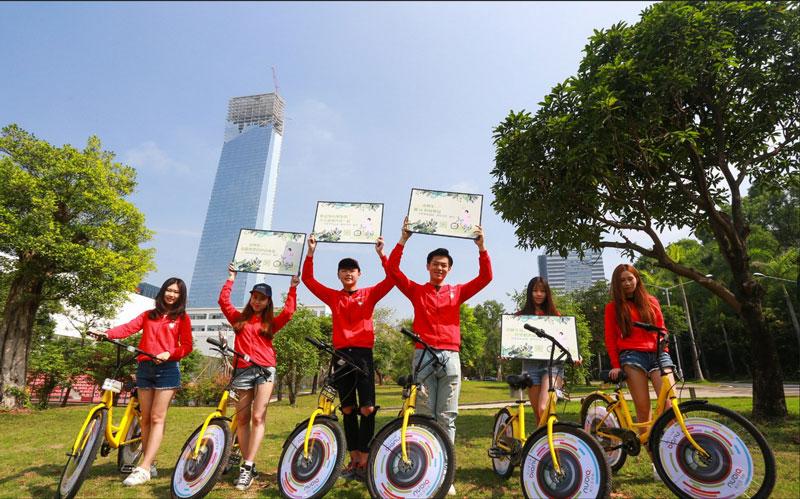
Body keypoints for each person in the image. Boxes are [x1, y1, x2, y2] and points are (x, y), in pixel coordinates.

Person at [387, 217, 492, 495]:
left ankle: (445, 473)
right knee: (424, 415)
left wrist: (481, 247)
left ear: (449, 269)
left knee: (447, 417)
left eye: (444, 265)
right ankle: (425, 471)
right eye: (435, 264)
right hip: (422, 356)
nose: (439, 268)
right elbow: (392, 271)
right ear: (428, 267)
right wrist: (403, 240)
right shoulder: (416, 290)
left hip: (450, 357)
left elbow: (486, 278)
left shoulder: (457, 291)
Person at [301, 234, 394, 481]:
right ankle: (353, 460)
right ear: (339, 275)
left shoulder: (370, 294)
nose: (348, 273)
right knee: (348, 408)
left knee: (368, 408)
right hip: (341, 355)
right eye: (343, 270)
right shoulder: (334, 297)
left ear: (359, 274)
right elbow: (308, 280)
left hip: (363, 355)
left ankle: (365, 458)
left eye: (352, 270)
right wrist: (311, 252)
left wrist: (382, 254)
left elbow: (393, 278)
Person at [98, 277, 193, 487]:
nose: (171, 295)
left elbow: (187, 346)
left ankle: (144, 467)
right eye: (169, 290)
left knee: (158, 417)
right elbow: (128, 328)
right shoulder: (149, 315)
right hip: (145, 369)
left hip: (168, 371)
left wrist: (170, 353)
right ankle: (150, 462)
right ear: (162, 292)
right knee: (146, 419)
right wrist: (107, 333)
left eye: (176, 292)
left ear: (181, 296)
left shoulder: (182, 318)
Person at [219, 264, 299, 491]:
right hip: (243, 371)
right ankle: (248, 463)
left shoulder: (271, 323)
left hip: (265, 370)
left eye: (262, 298)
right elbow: (223, 302)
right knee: (242, 420)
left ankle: (247, 466)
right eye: (255, 297)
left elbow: (289, 313)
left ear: (268, 302)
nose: (257, 301)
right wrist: (231, 279)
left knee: (257, 417)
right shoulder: (237, 319)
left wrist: (293, 288)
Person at [605, 263, 676, 429]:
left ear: (637, 279)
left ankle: (675, 449)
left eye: (630, 278)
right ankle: (652, 451)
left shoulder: (652, 302)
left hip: (659, 355)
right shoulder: (612, 308)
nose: (627, 283)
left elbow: (662, 329)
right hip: (632, 357)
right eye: (622, 280)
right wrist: (616, 365)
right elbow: (610, 338)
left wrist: (663, 349)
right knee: (643, 409)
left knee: (670, 405)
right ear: (617, 283)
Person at [516, 277, 565, 422]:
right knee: (539, 416)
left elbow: (564, 340)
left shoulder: (556, 316)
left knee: (545, 409)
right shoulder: (519, 317)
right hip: (530, 366)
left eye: (542, 291)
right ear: (529, 293)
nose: (539, 294)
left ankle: (552, 443)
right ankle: (543, 444)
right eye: (535, 290)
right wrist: (505, 352)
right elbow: (512, 339)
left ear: (547, 294)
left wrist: (575, 354)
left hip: (552, 365)